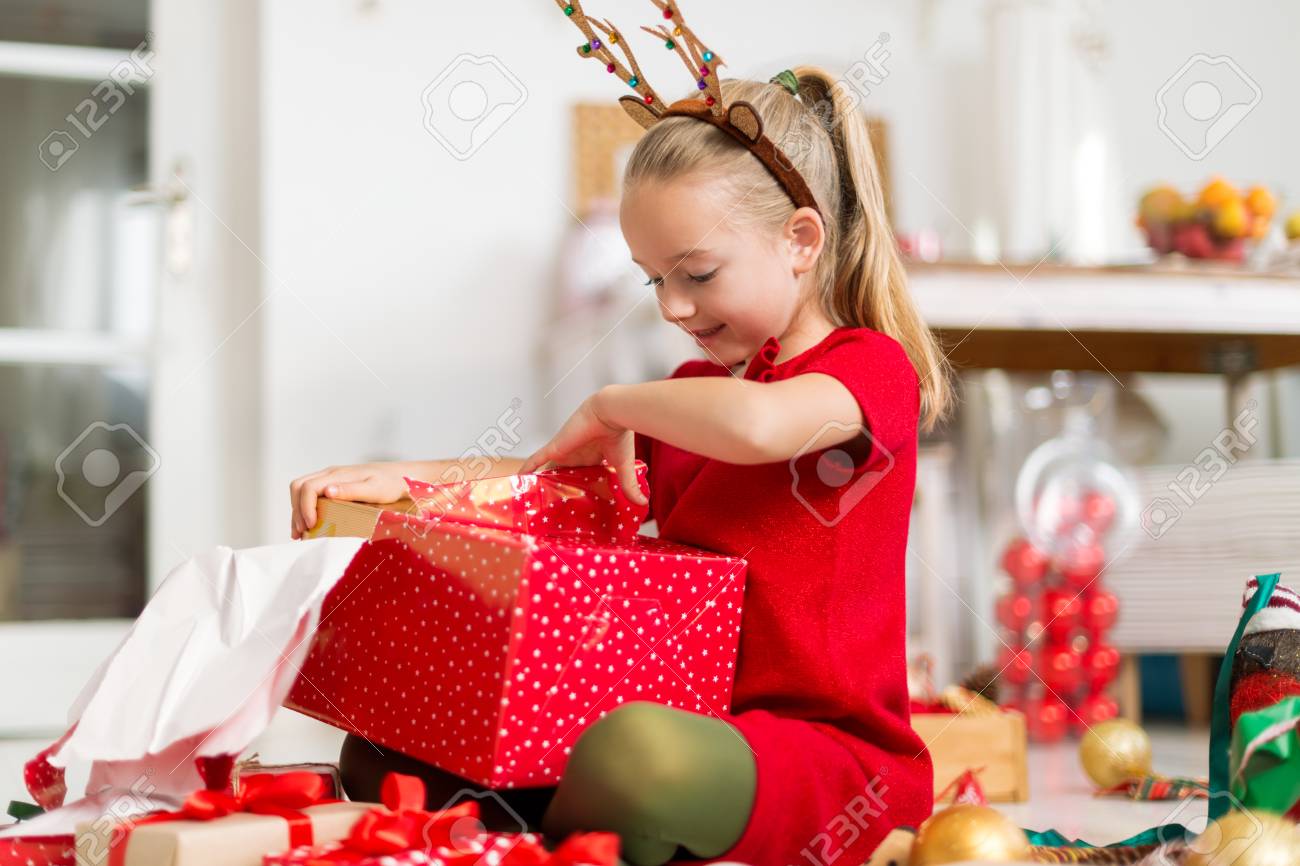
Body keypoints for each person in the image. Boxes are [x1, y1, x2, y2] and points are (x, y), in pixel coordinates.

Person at [289, 67, 951, 866]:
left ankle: (558, 832)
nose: (672, 307)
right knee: (381, 753)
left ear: (800, 241)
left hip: (825, 758)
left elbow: (760, 425)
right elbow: (559, 479)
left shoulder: (870, 368)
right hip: (695, 726)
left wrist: (613, 403)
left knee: (635, 754)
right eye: (655, 279)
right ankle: (579, 830)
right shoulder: (692, 392)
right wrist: (410, 482)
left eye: (697, 274)